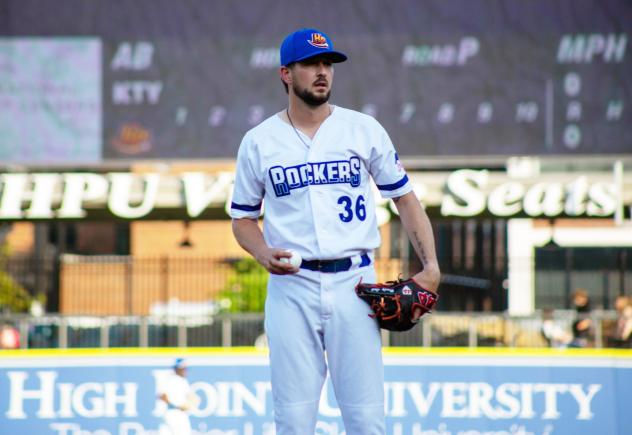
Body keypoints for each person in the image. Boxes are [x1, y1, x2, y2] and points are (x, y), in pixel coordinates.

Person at [230, 28, 440, 434]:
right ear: (286, 74)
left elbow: (405, 199)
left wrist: (430, 266)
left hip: (355, 284)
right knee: (292, 419)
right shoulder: (258, 142)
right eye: (310, 63)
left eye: (328, 63)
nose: (322, 71)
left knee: (365, 419)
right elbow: (242, 219)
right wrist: (260, 252)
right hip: (293, 285)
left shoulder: (363, 129)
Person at [157, 358, 197, 435]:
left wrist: (192, 401)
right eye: (182, 368)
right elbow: (162, 396)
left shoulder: (183, 381)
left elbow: (189, 396)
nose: (185, 370)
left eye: (185, 368)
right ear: (176, 369)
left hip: (180, 413)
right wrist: (177, 405)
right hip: (173, 413)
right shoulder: (170, 379)